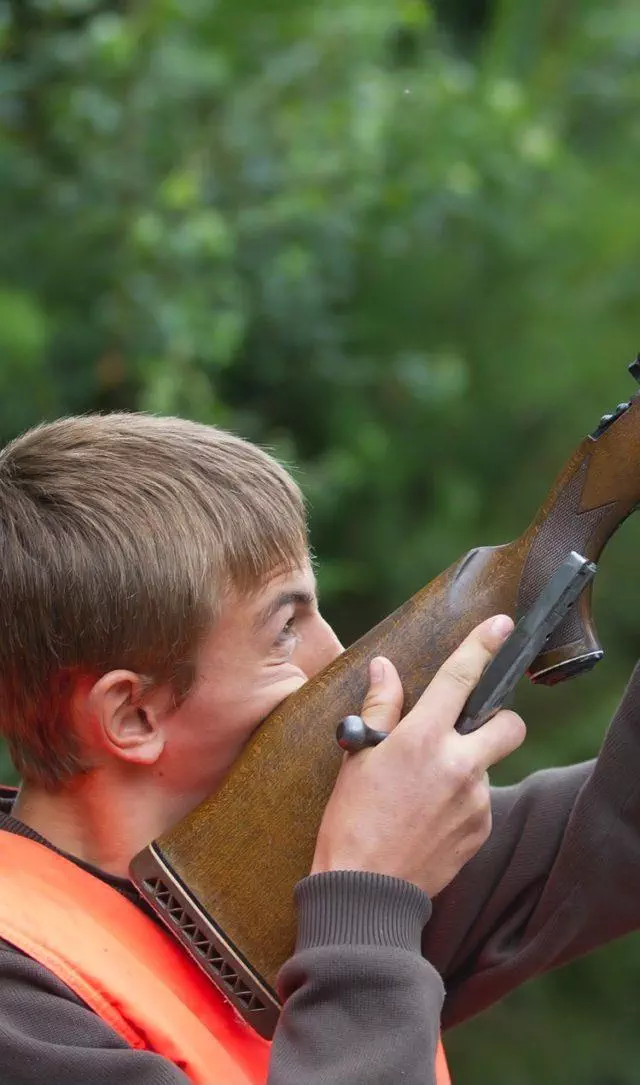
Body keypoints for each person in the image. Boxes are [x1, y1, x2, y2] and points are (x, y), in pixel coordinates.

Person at [0, 413, 638, 1085]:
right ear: (132, 715)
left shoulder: (275, 873)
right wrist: (369, 903)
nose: (336, 658)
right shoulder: (22, 1010)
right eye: (285, 628)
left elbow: (621, 828)